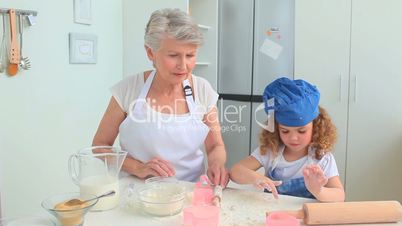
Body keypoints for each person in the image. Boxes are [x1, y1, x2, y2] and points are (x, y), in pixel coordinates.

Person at [92, 8, 228, 186]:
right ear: (150, 53)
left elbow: (215, 146)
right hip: (136, 191)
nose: (183, 65)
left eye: (190, 55)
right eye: (173, 55)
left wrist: (217, 164)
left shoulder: (202, 90)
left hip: (190, 192)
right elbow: (100, 146)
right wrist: (137, 167)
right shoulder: (128, 89)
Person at [230, 77, 345, 202]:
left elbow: (339, 195)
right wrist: (256, 177)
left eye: (301, 131)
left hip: (305, 216)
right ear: (276, 128)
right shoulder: (271, 151)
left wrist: (318, 190)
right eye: (285, 131)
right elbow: (236, 171)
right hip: (273, 214)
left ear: (316, 126)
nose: (293, 138)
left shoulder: (321, 157)